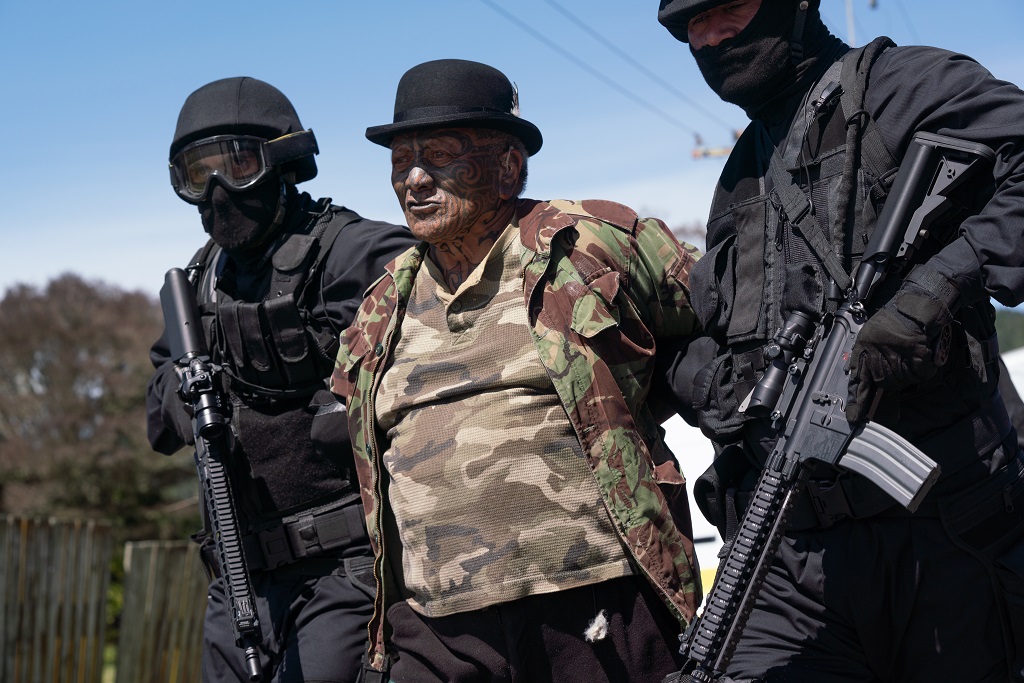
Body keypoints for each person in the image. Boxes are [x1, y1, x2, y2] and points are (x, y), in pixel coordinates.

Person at [656, 1, 1024, 681]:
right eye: (690, 29)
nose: (710, 38)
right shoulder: (740, 176)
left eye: (729, 9)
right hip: (789, 551)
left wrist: (937, 287)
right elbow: (721, 331)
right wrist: (711, 381)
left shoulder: (897, 86)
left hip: (945, 537)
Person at [328, 58, 704, 683]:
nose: (414, 179)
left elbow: (725, 310)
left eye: (440, 155)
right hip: (437, 628)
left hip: (598, 605)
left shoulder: (590, 243)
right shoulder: (380, 307)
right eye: (400, 162)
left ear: (508, 167)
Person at [146, 76, 417, 683]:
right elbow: (157, 414)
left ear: (284, 162)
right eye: (198, 175)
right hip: (238, 577)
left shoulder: (355, 252)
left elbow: (433, 357)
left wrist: (337, 395)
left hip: (349, 567)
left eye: (238, 165)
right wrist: (189, 394)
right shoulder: (201, 282)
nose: (218, 191)